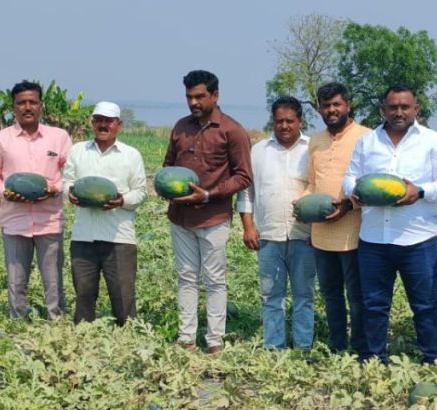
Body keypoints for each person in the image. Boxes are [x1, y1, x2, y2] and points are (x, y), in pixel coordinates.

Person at [343, 84, 437, 365]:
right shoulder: (367, 141)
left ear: (416, 109)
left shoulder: (433, 141)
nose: (398, 112)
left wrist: (418, 192)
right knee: (374, 304)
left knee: (425, 304)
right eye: (392, 107)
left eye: (405, 107)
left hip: (417, 239)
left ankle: (433, 358)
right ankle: (373, 358)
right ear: (383, 109)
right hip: (374, 239)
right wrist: (355, 191)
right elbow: (350, 177)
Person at [163, 70, 252, 354]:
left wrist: (209, 194)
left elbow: (243, 177)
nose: (193, 102)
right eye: (189, 97)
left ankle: (215, 341)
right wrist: (165, 187)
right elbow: (168, 166)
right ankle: (186, 338)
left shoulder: (232, 130)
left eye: (200, 96)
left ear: (215, 95)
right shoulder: (180, 127)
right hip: (180, 218)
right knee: (186, 277)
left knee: (214, 280)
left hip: (214, 218)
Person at [0, 80, 72, 320]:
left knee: (53, 280)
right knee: (16, 280)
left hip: (49, 220)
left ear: (41, 105)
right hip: (14, 220)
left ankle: (57, 322)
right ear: (13, 107)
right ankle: (18, 324)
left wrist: (54, 188)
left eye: (32, 102)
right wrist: (5, 192)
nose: (27, 107)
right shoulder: (0, 139)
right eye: (21, 103)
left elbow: (72, 174)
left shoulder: (59, 137)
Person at [237, 96, 314, 349]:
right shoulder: (258, 151)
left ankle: (303, 346)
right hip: (268, 236)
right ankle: (274, 347)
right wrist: (248, 227)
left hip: (305, 236)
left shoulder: (312, 149)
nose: (284, 126)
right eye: (279, 121)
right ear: (273, 121)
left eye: (289, 121)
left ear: (300, 120)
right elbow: (247, 192)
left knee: (304, 296)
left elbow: (319, 189)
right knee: (271, 296)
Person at [64, 101, 146, 325]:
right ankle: (82, 341)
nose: (103, 125)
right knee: (83, 294)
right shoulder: (77, 151)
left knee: (123, 297)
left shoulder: (131, 155)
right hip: (83, 236)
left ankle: (127, 340)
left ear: (119, 125)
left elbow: (140, 193)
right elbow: (67, 182)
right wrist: (69, 194)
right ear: (92, 122)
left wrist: (121, 201)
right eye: (98, 120)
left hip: (119, 238)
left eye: (108, 121)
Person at [306, 82, 370, 355]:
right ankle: (337, 346)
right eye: (325, 106)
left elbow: (369, 186)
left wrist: (348, 205)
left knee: (356, 298)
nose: (331, 110)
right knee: (331, 296)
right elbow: (312, 183)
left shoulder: (366, 137)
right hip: (321, 236)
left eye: (336, 104)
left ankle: (358, 348)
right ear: (319, 109)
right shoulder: (315, 141)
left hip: (354, 234)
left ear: (348, 105)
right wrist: (302, 203)